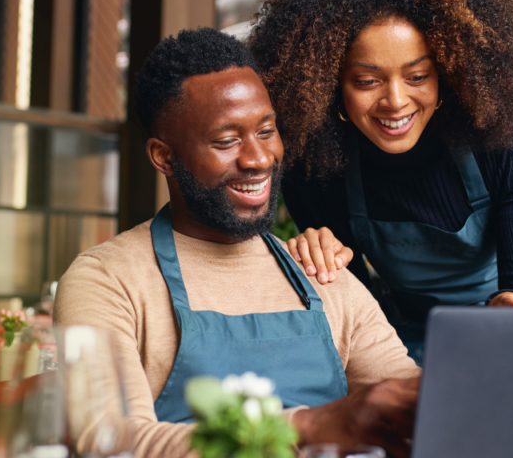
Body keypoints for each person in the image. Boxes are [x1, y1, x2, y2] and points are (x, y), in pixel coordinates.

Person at [54, 28, 421, 458]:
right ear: (163, 156)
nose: (259, 159)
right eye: (226, 141)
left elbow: (411, 406)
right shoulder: (106, 280)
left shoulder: (321, 272)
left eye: (266, 131)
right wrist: (309, 426)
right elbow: (109, 440)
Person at [248, 0, 513, 364]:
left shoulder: (510, 137)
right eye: (367, 81)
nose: (396, 101)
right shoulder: (315, 165)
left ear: (448, 72)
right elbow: (357, 310)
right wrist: (320, 263)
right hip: (412, 337)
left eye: (418, 75)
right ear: (329, 87)